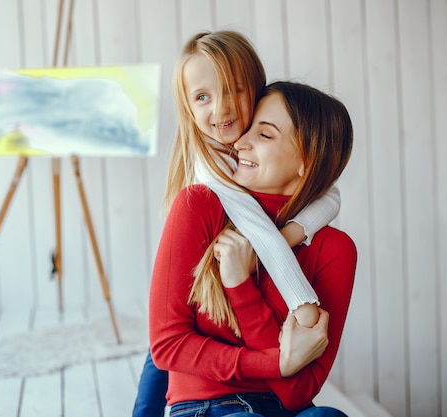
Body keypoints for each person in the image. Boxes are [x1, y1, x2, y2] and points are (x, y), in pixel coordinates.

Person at [133, 30, 340, 417]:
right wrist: (299, 310)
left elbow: (329, 194)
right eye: (203, 97)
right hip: (205, 388)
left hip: (266, 392)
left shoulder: (261, 162)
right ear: (189, 109)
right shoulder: (207, 180)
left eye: (234, 90)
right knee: (161, 346)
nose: (221, 108)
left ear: (258, 93)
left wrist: (292, 232)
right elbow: (165, 345)